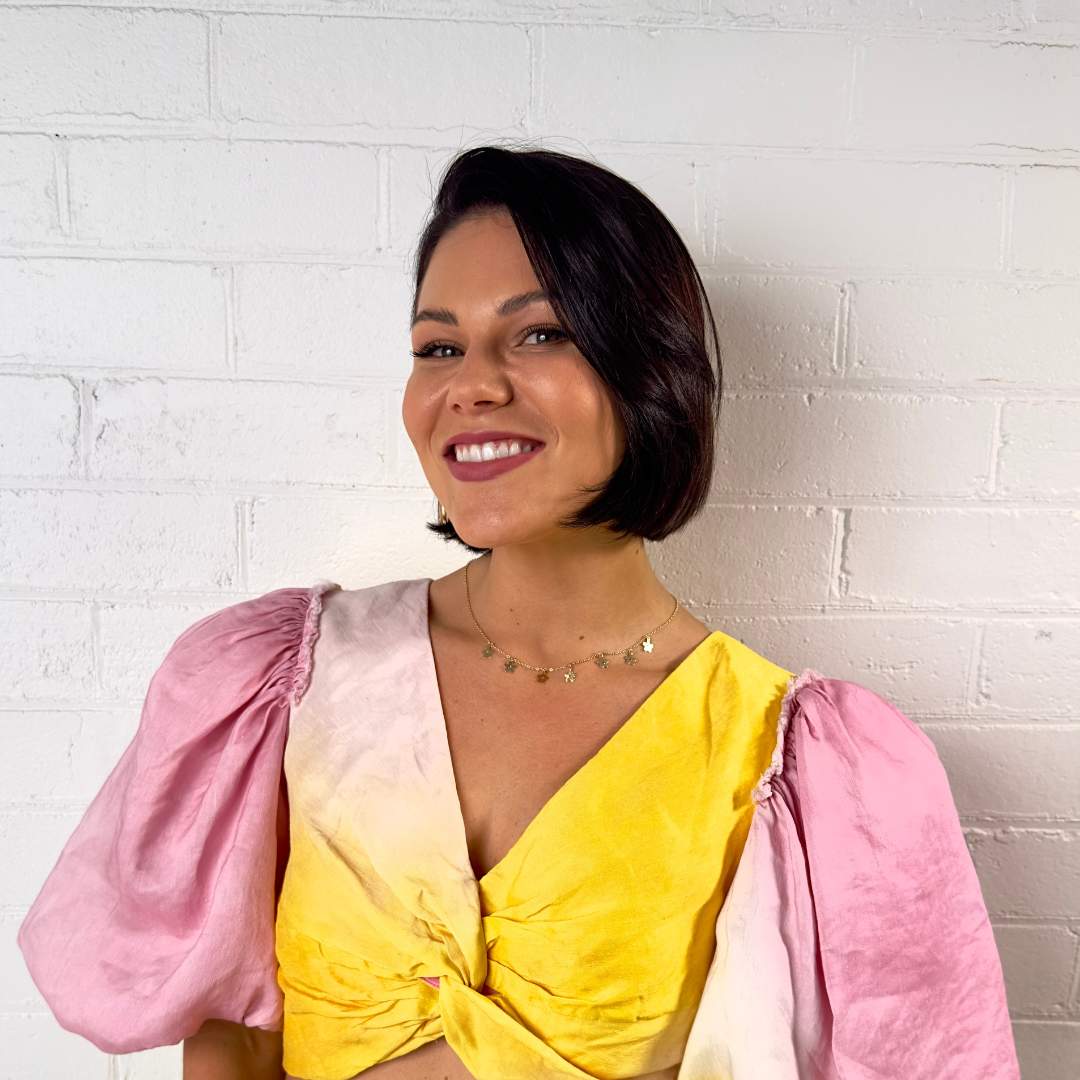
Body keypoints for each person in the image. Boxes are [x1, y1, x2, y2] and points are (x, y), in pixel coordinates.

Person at [18, 145, 1020, 1080]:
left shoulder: (808, 765)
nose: (472, 385)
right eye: (438, 345)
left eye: (540, 333)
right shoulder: (274, 686)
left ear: (649, 372)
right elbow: (229, 1035)